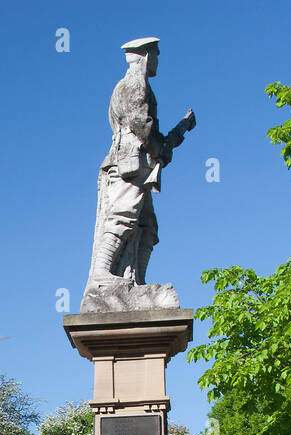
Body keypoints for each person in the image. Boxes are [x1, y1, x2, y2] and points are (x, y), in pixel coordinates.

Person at [84, 38, 195, 294]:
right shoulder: (134, 84)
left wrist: (176, 134)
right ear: (145, 55)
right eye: (156, 54)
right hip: (129, 164)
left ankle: (136, 282)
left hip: (139, 164)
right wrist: (160, 150)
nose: (157, 60)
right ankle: (101, 273)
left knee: (147, 227)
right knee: (123, 215)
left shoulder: (138, 85)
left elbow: (148, 131)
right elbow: (141, 125)